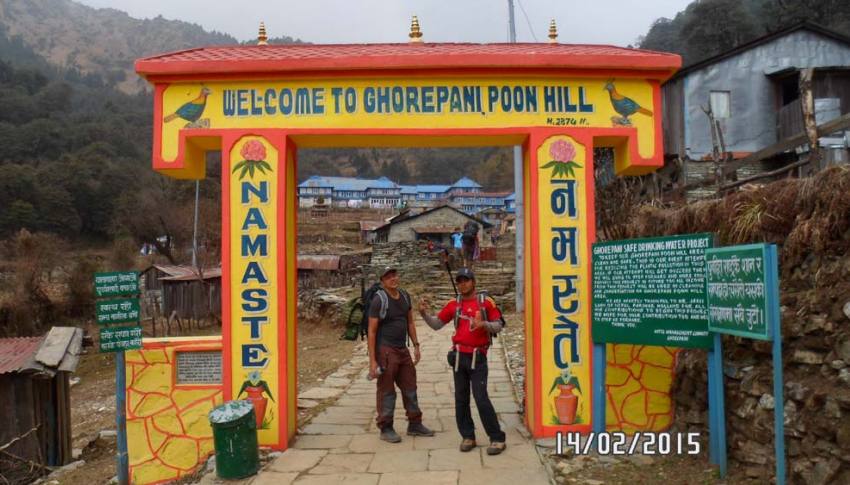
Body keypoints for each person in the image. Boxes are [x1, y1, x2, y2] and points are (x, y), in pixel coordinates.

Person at [417, 268, 507, 455]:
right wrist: (424, 314)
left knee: (481, 398)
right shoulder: (453, 305)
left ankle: (497, 438)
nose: (462, 284)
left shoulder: (486, 303)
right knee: (461, 399)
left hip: (478, 357)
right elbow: (437, 324)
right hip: (459, 357)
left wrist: (483, 325)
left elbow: (499, 325)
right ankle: (468, 436)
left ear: (473, 282)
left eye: (466, 280)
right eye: (459, 281)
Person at [368, 266, 435, 443]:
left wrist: (416, 345)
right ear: (382, 281)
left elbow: (410, 322)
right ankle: (386, 427)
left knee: (410, 386)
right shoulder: (379, 300)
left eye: (394, 275)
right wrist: (373, 361)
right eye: (388, 277)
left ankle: (415, 423)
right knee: (387, 390)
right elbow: (372, 331)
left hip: (402, 349)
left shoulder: (404, 296)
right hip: (386, 351)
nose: (393, 279)